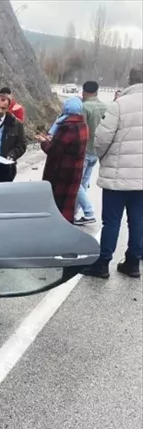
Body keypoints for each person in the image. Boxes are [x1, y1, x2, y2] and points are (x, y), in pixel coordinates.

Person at [81, 66, 143, 279]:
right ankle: (133, 263)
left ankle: (103, 263)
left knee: (112, 221)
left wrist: (104, 157)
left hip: (116, 178)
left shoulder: (119, 105)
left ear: (129, 81)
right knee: (138, 221)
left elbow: (101, 138)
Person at [35, 96, 88, 223]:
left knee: (58, 207)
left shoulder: (67, 127)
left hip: (61, 173)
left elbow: (53, 150)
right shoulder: (83, 124)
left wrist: (43, 142)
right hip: (75, 170)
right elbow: (67, 145)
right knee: (68, 205)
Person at [74, 80, 108, 226]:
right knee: (84, 182)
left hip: (84, 150)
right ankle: (75, 211)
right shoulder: (105, 107)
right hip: (97, 151)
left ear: (84, 91)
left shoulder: (84, 107)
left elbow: (80, 130)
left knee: (76, 183)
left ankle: (88, 212)